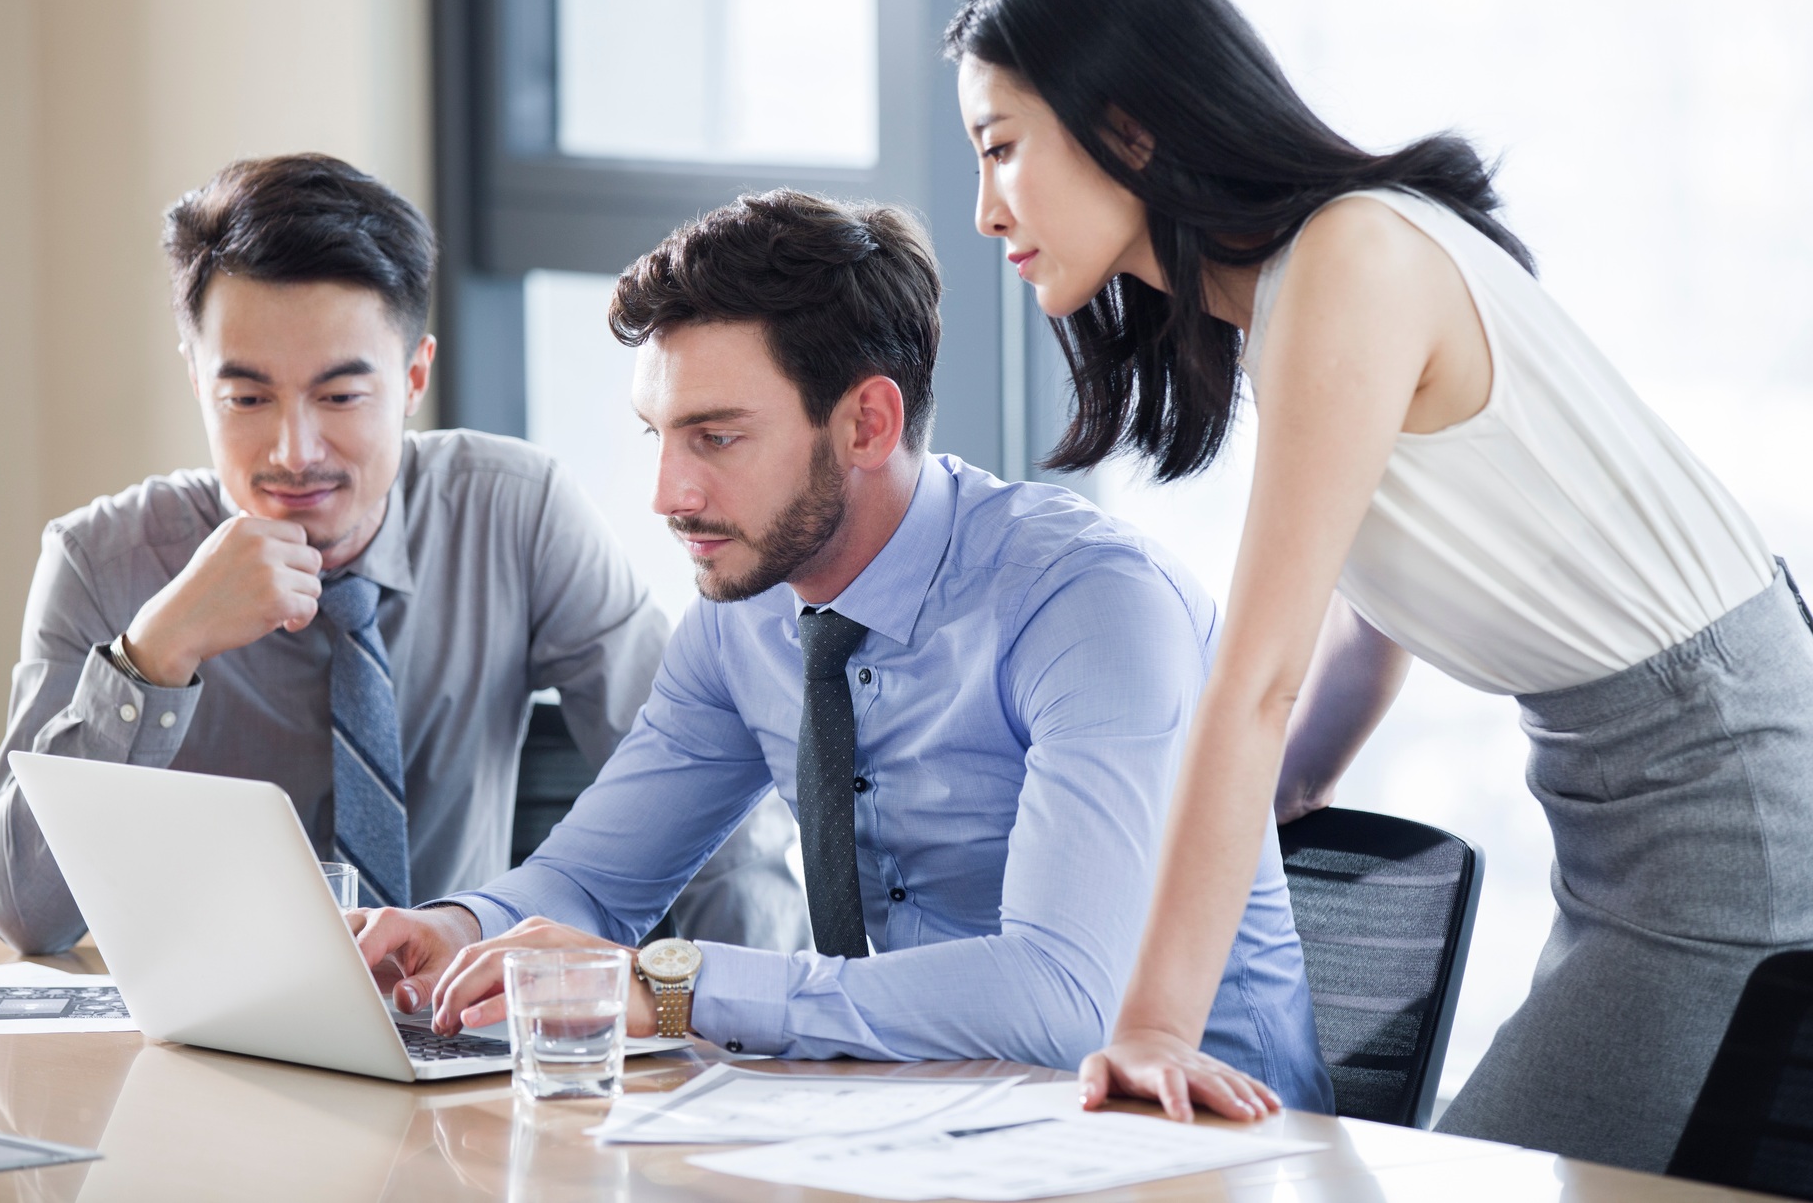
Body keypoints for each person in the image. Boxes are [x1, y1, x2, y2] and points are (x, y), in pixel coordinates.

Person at [943, 0, 1813, 1172]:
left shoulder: (1348, 259)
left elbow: (1255, 679)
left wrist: (1151, 1030)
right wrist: (1284, 795)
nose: (984, 209)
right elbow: (1370, 617)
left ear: (1126, 128)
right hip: (1638, 800)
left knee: (1474, 1176)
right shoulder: (1291, 291)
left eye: (999, 148)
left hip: (1718, 798)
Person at [350, 189, 1332, 1104]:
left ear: (867, 422)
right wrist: (457, 928)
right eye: (657, 434)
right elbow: (591, 882)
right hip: (922, 1123)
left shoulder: (1091, 607)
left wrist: (674, 986)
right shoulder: (740, 617)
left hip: (1200, 1144)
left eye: (715, 438)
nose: (667, 495)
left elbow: (1063, 999)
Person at [0, 153, 807, 958]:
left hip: (455, 1021)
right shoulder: (101, 559)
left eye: (340, 395)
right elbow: (24, 915)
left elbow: (710, 797)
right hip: (196, 1037)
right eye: (247, 397)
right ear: (196, 378)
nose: (294, 450)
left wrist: (744, 1031)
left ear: (413, 378)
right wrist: (155, 654)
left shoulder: (515, 514)